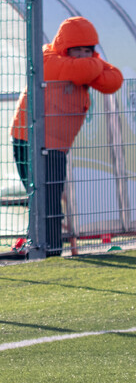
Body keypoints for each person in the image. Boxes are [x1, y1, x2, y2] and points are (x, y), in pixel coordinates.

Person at [10, 16, 122, 257]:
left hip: (55, 147)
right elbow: (85, 70)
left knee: (48, 199)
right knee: (44, 198)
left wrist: (94, 64)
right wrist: (96, 63)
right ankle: (45, 250)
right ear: (65, 47)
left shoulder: (79, 64)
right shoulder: (47, 59)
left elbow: (114, 81)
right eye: (78, 50)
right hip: (30, 142)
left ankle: (45, 250)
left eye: (87, 50)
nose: (83, 55)